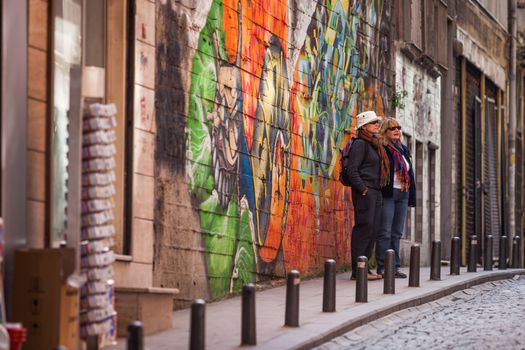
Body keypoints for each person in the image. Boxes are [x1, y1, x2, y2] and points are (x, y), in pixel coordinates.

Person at [347, 111, 390, 280]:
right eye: (373, 123)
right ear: (364, 126)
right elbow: (352, 169)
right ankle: (358, 271)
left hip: (376, 191)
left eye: (377, 123)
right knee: (364, 229)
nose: (377, 126)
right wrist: (362, 189)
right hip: (366, 191)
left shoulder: (374, 144)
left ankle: (364, 268)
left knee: (373, 230)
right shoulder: (360, 144)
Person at [375, 118, 416, 278]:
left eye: (398, 127)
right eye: (392, 128)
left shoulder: (403, 149)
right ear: (385, 131)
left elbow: (409, 173)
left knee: (397, 232)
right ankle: (382, 267)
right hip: (388, 193)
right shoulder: (382, 149)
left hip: (403, 193)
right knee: (385, 231)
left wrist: (411, 194)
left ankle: (395, 266)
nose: (397, 130)